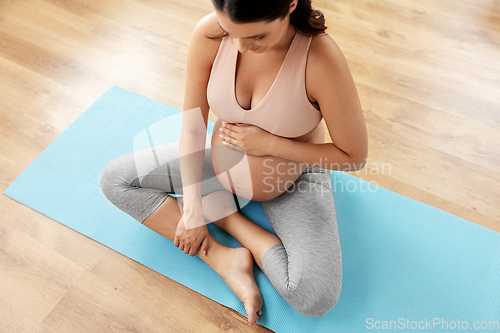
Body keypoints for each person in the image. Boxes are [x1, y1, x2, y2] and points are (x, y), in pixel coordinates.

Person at [100, 0, 368, 327]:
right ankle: (224, 257)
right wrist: (194, 210)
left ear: (290, 5)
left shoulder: (320, 59)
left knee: (313, 296)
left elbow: (353, 156)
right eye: (231, 31)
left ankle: (232, 223)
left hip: (293, 181)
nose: (241, 47)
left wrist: (271, 144)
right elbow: (193, 126)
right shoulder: (209, 34)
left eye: (256, 35)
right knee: (116, 179)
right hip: (218, 163)